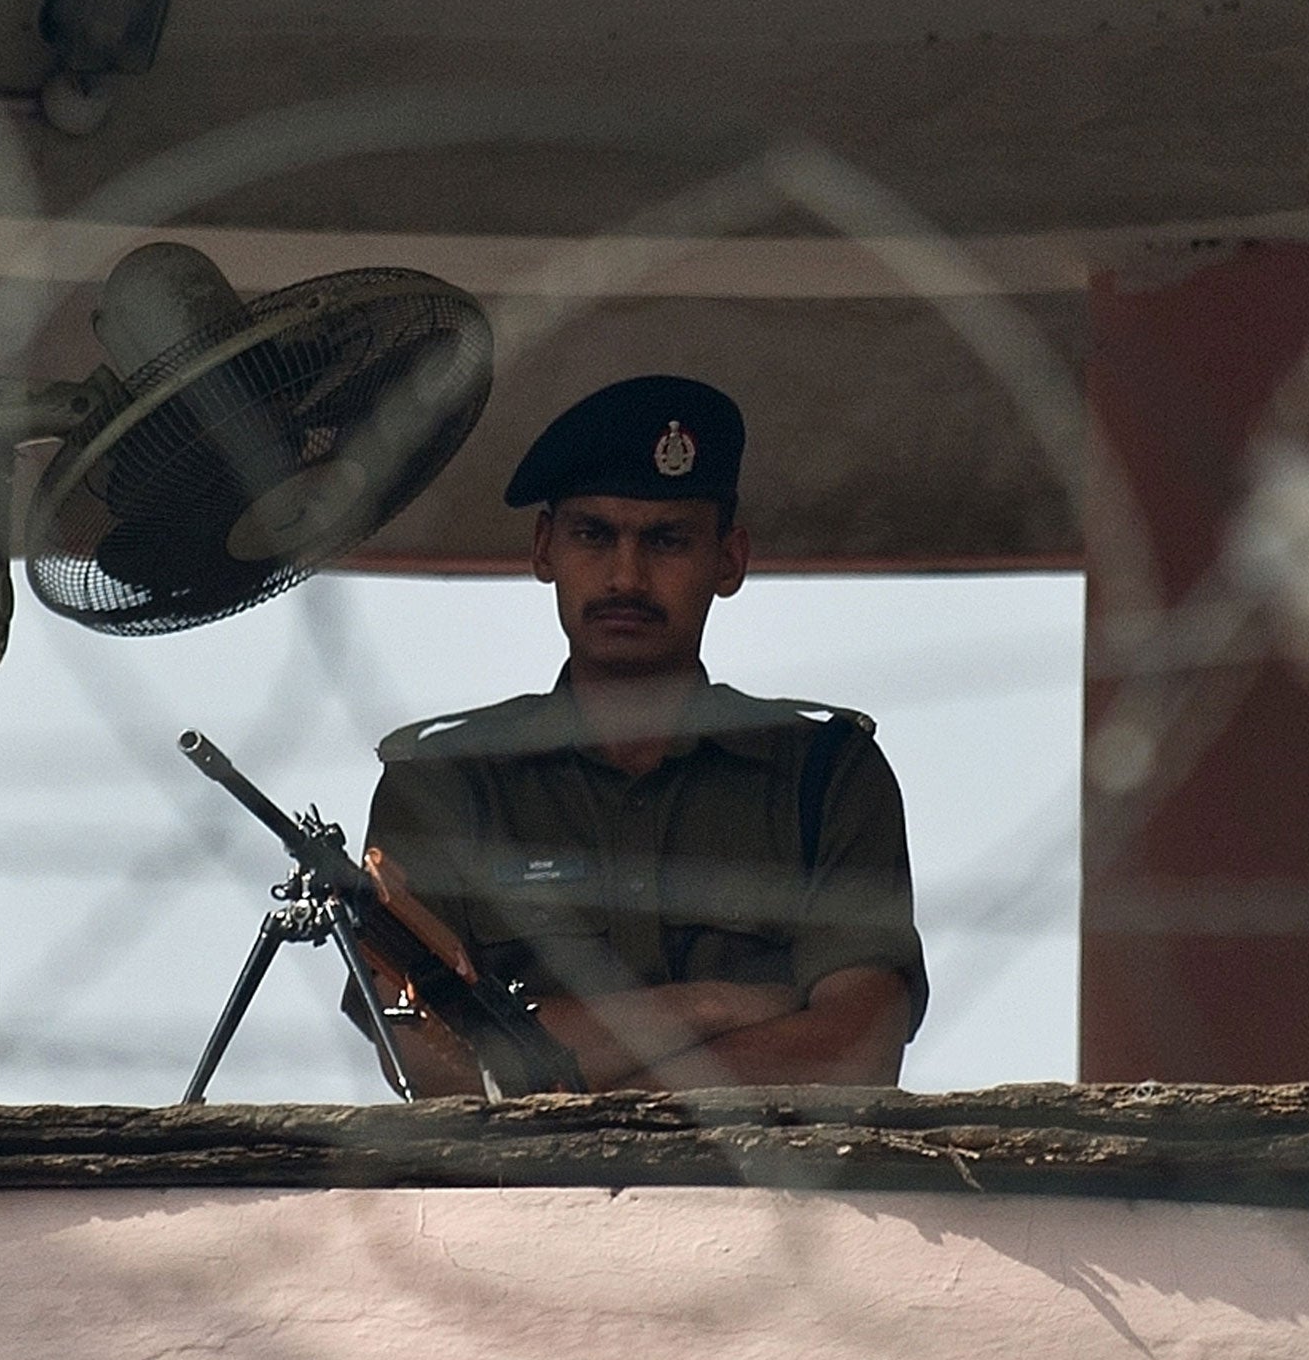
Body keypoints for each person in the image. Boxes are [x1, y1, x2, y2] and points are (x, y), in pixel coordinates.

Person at [354, 375, 927, 1093]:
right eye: (593, 535)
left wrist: (571, 1080)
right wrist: (712, 1005)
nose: (626, 576)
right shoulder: (443, 781)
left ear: (729, 560)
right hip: (517, 1207)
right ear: (543, 550)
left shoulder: (825, 775)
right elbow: (434, 1063)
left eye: (667, 540)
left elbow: (854, 1055)